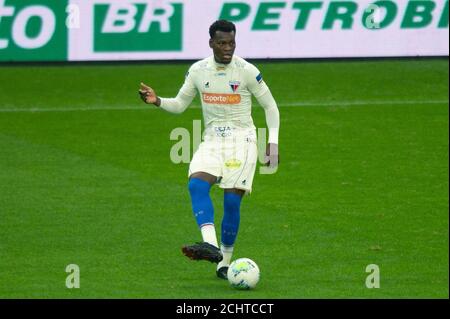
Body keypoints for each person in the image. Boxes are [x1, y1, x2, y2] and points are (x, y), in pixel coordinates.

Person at [139, 20, 280, 280]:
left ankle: (224, 263)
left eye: (232, 43)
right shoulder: (198, 71)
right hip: (212, 141)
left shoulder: (247, 71)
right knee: (196, 185)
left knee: (231, 201)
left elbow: (270, 107)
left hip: (243, 141)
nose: (228, 48)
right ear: (211, 43)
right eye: (222, 43)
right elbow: (180, 104)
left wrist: (272, 142)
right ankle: (211, 246)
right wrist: (157, 101)